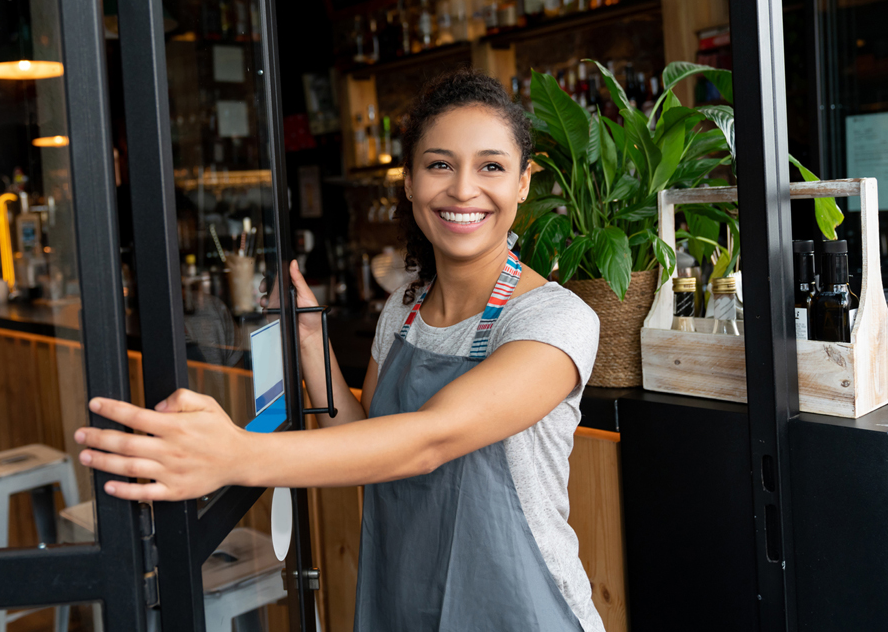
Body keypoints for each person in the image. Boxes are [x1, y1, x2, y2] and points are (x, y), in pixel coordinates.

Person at [73, 69, 605, 631]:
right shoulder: (404, 308)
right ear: (409, 181)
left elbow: (429, 440)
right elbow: (366, 441)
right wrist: (310, 342)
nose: (463, 189)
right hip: (402, 599)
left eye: (491, 166)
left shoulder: (553, 319)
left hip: (518, 611)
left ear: (523, 183)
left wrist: (234, 456)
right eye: (439, 164)